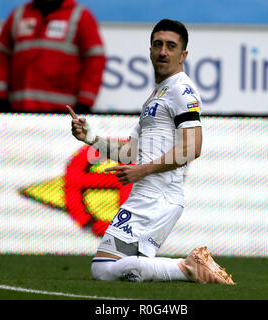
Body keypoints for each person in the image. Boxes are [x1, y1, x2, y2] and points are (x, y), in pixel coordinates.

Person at [68, 19, 235, 284]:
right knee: (124, 272)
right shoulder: (157, 96)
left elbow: (192, 147)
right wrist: (90, 137)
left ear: (183, 55)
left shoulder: (182, 90)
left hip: (158, 197)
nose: (163, 52)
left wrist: (144, 170)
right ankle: (187, 268)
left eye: (171, 46)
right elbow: (129, 152)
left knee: (103, 269)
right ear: (149, 50)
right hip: (148, 195)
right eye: (158, 44)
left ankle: (188, 267)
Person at [0, 0, 105, 114]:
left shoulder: (80, 15)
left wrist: (84, 103)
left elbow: (95, 60)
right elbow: (1, 55)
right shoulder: (19, 14)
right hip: (19, 113)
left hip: (62, 116)